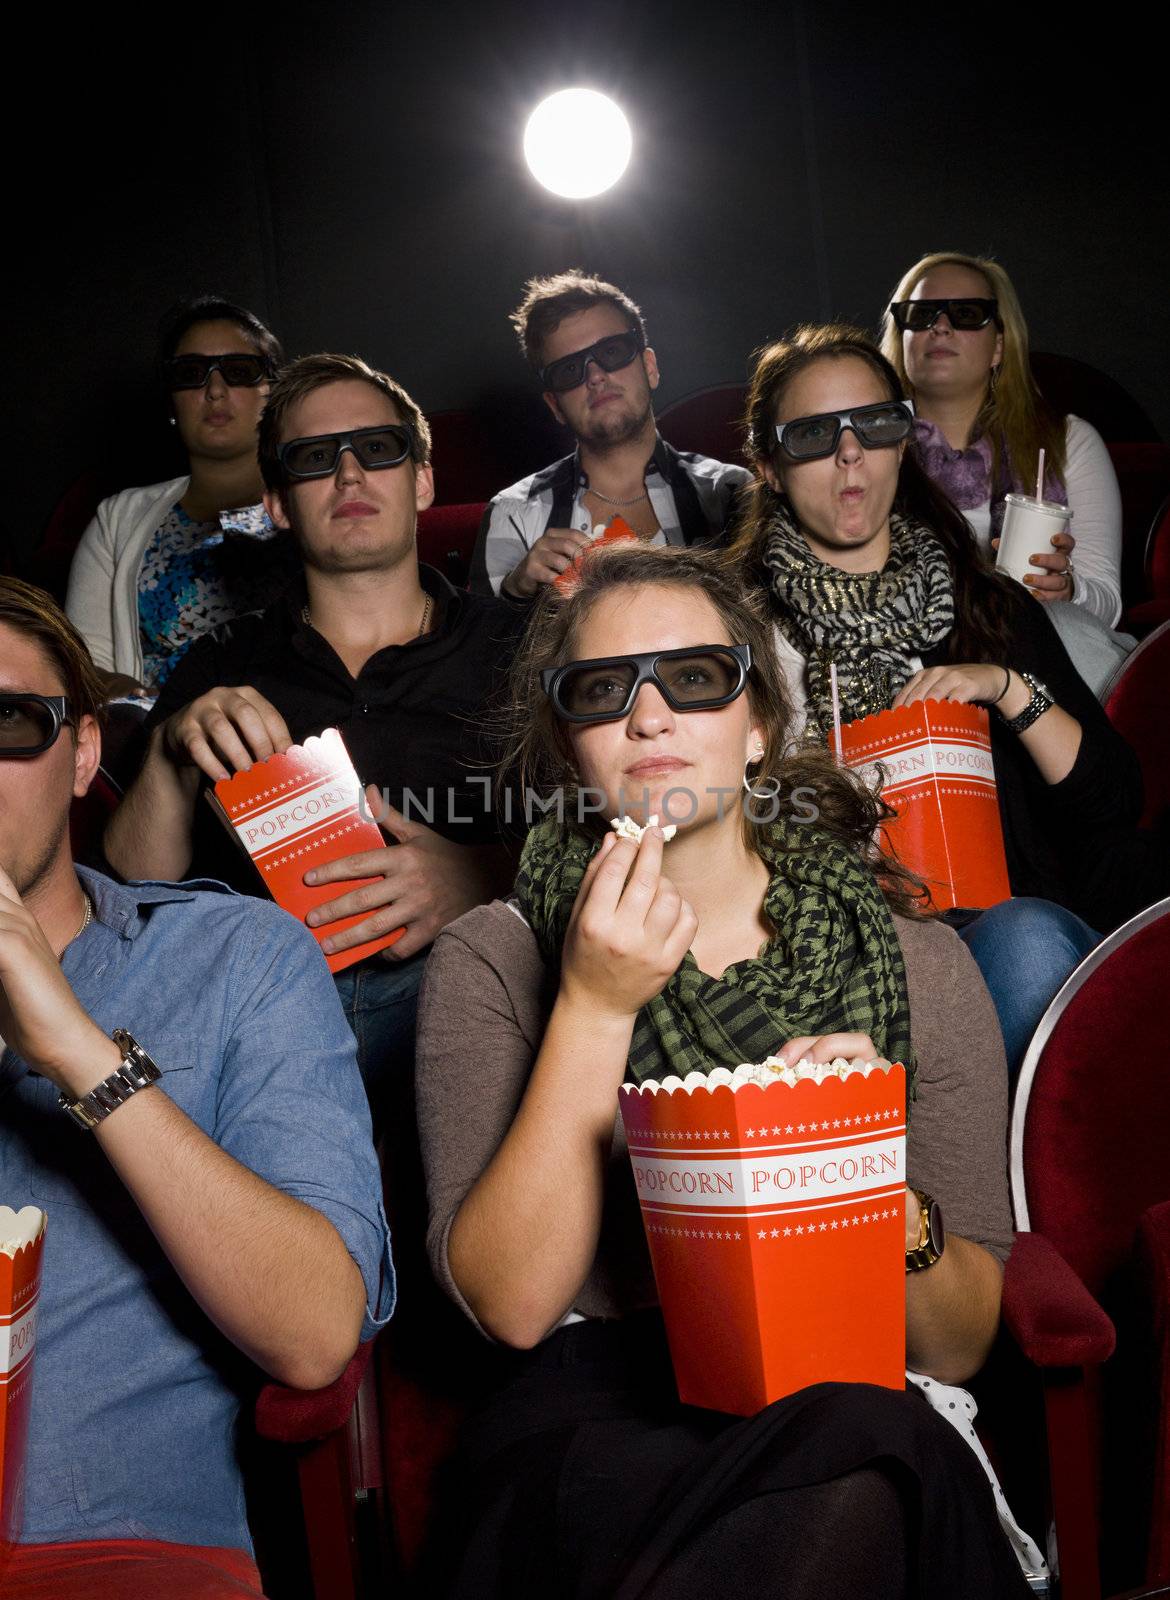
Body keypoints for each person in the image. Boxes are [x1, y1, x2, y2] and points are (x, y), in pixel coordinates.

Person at [415, 543, 1034, 1599]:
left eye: (695, 678)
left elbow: (963, 1341)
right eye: (603, 690)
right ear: (571, 747)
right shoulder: (490, 956)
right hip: (602, 1407)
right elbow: (512, 1306)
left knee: (859, 1455)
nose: (649, 717)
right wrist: (595, 1003)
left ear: (756, 727)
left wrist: (863, 1177)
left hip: (855, 1390)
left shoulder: (920, 963)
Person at [0, 578, 391, 1593]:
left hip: (107, 1548)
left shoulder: (234, 958)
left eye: (9, 723)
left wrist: (79, 1051)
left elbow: (315, 1334)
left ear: (85, 753)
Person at [733, 323, 1166, 1071]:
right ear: (768, 465)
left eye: (873, 425)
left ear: (903, 442)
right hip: (813, 939)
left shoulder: (987, 607)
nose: (848, 454)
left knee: (1028, 939)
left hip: (988, 926)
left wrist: (1002, 688)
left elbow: (1111, 803)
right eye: (811, 435)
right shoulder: (729, 627)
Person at [103, 354, 522, 1125]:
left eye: (379, 449)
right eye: (314, 459)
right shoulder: (221, 664)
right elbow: (131, 883)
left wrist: (486, 876)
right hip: (262, 1004)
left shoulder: (523, 650)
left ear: (423, 479)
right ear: (279, 504)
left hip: (468, 984)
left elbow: (608, 832)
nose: (351, 474)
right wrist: (169, 753)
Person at [65, 295, 297, 697]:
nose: (215, 389)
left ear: (273, 390)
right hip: (157, 741)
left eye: (239, 370)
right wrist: (114, 692)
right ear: (171, 397)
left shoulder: (318, 499)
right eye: (192, 372)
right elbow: (86, 664)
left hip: (305, 742)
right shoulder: (116, 519)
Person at [469, 271, 751, 598]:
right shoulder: (512, 514)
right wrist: (515, 593)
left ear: (650, 368)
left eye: (612, 351)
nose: (596, 376)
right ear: (555, 405)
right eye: (569, 370)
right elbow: (477, 643)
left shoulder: (732, 492)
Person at [880, 252, 1123, 629]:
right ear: (902, 337)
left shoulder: (1068, 441)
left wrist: (1069, 590)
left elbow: (1108, 604)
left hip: (1038, 658)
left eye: (967, 313)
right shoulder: (863, 447)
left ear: (998, 346)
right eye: (921, 313)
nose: (940, 326)